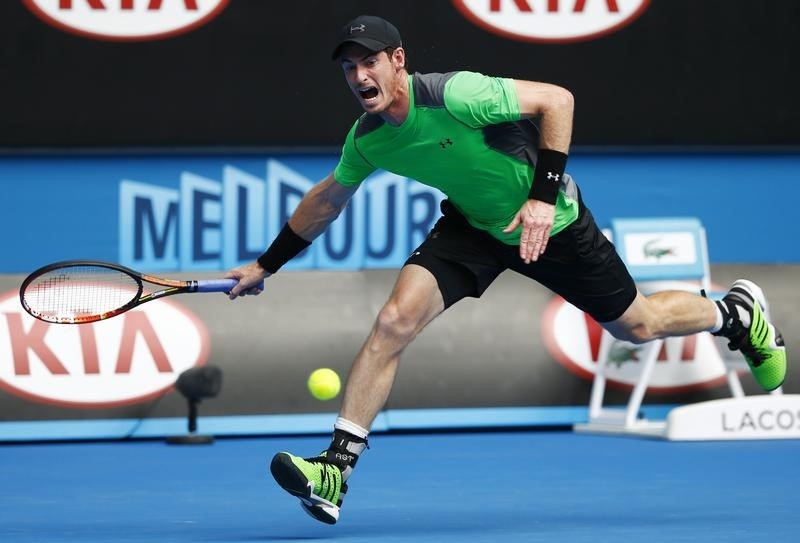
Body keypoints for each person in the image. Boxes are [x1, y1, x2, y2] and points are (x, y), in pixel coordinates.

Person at [224, 15, 787, 525]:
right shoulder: (368, 139)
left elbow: (558, 101)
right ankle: (335, 470)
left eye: (369, 61)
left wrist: (543, 197)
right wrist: (265, 264)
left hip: (551, 224)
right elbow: (327, 200)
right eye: (348, 68)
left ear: (398, 60)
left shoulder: (458, 94)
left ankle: (734, 315)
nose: (358, 76)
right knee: (395, 320)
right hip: (473, 228)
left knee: (636, 325)